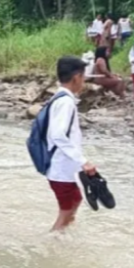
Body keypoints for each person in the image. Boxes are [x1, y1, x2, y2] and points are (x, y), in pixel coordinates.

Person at [47, 57, 97, 231]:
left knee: (75, 201)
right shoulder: (66, 102)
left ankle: (63, 238)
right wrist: (83, 161)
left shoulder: (59, 98)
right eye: (83, 77)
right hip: (61, 169)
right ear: (76, 77)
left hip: (62, 168)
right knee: (67, 210)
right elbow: (58, 135)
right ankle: (53, 242)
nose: (83, 82)